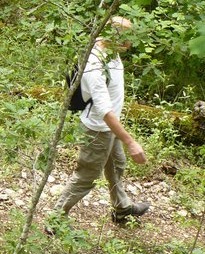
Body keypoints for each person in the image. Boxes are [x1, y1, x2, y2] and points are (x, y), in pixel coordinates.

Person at [52, 16, 150, 225]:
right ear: (115, 37)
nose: (131, 43)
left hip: (110, 128)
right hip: (98, 129)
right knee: (86, 177)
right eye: (128, 38)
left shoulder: (110, 51)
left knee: (117, 165)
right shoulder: (95, 65)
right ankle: (54, 219)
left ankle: (122, 209)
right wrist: (131, 141)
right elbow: (105, 111)